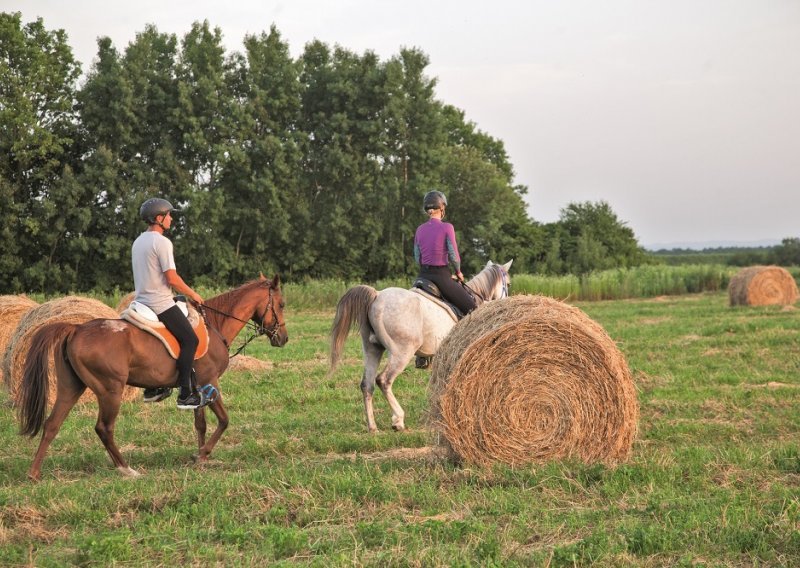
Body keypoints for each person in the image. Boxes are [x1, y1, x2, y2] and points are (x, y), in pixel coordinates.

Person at [132, 197, 206, 409]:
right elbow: (172, 278)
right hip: (159, 302)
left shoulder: (138, 241)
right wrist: (194, 294)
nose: (171, 219)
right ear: (159, 218)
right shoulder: (162, 242)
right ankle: (185, 394)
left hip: (141, 302)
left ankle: (154, 387)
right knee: (190, 340)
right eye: (169, 215)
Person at [413, 190, 477, 367]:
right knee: (472, 308)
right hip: (441, 275)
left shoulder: (419, 229)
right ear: (442, 208)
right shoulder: (447, 227)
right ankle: (463, 349)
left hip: (422, 277)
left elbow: (416, 256)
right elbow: (454, 255)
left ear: (427, 209)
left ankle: (422, 356)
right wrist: (458, 272)